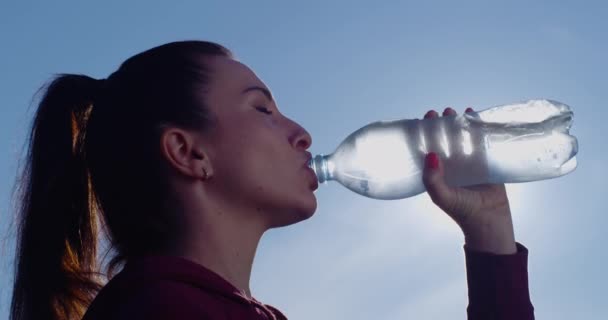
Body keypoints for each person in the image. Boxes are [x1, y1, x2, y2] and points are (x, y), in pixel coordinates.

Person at [10, 41, 535, 320]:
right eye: (262, 108)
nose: (302, 134)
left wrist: (489, 233)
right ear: (188, 152)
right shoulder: (166, 312)